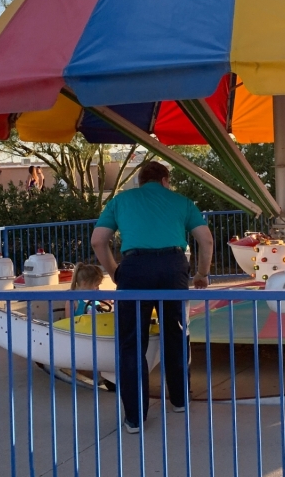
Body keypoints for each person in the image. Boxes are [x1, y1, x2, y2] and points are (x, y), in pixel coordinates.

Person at [90, 162, 214, 434]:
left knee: (132, 343)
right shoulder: (181, 201)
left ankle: (135, 418)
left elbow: (98, 240)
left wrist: (115, 272)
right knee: (177, 332)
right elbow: (205, 240)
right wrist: (202, 274)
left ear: (139, 181)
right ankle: (180, 400)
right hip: (173, 267)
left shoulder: (121, 200)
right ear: (165, 180)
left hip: (134, 269)